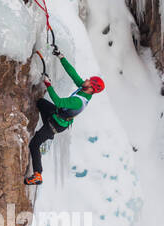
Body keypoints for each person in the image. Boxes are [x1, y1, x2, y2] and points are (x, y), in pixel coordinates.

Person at [25, 48, 105, 186]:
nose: (86, 80)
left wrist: (48, 85)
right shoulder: (84, 89)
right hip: (57, 115)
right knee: (41, 103)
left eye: (89, 81)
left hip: (56, 125)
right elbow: (72, 73)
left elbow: (59, 102)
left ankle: (38, 174)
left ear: (92, 88)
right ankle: (47, 137)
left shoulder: (79, 101)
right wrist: (61, 57)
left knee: (34, 144)